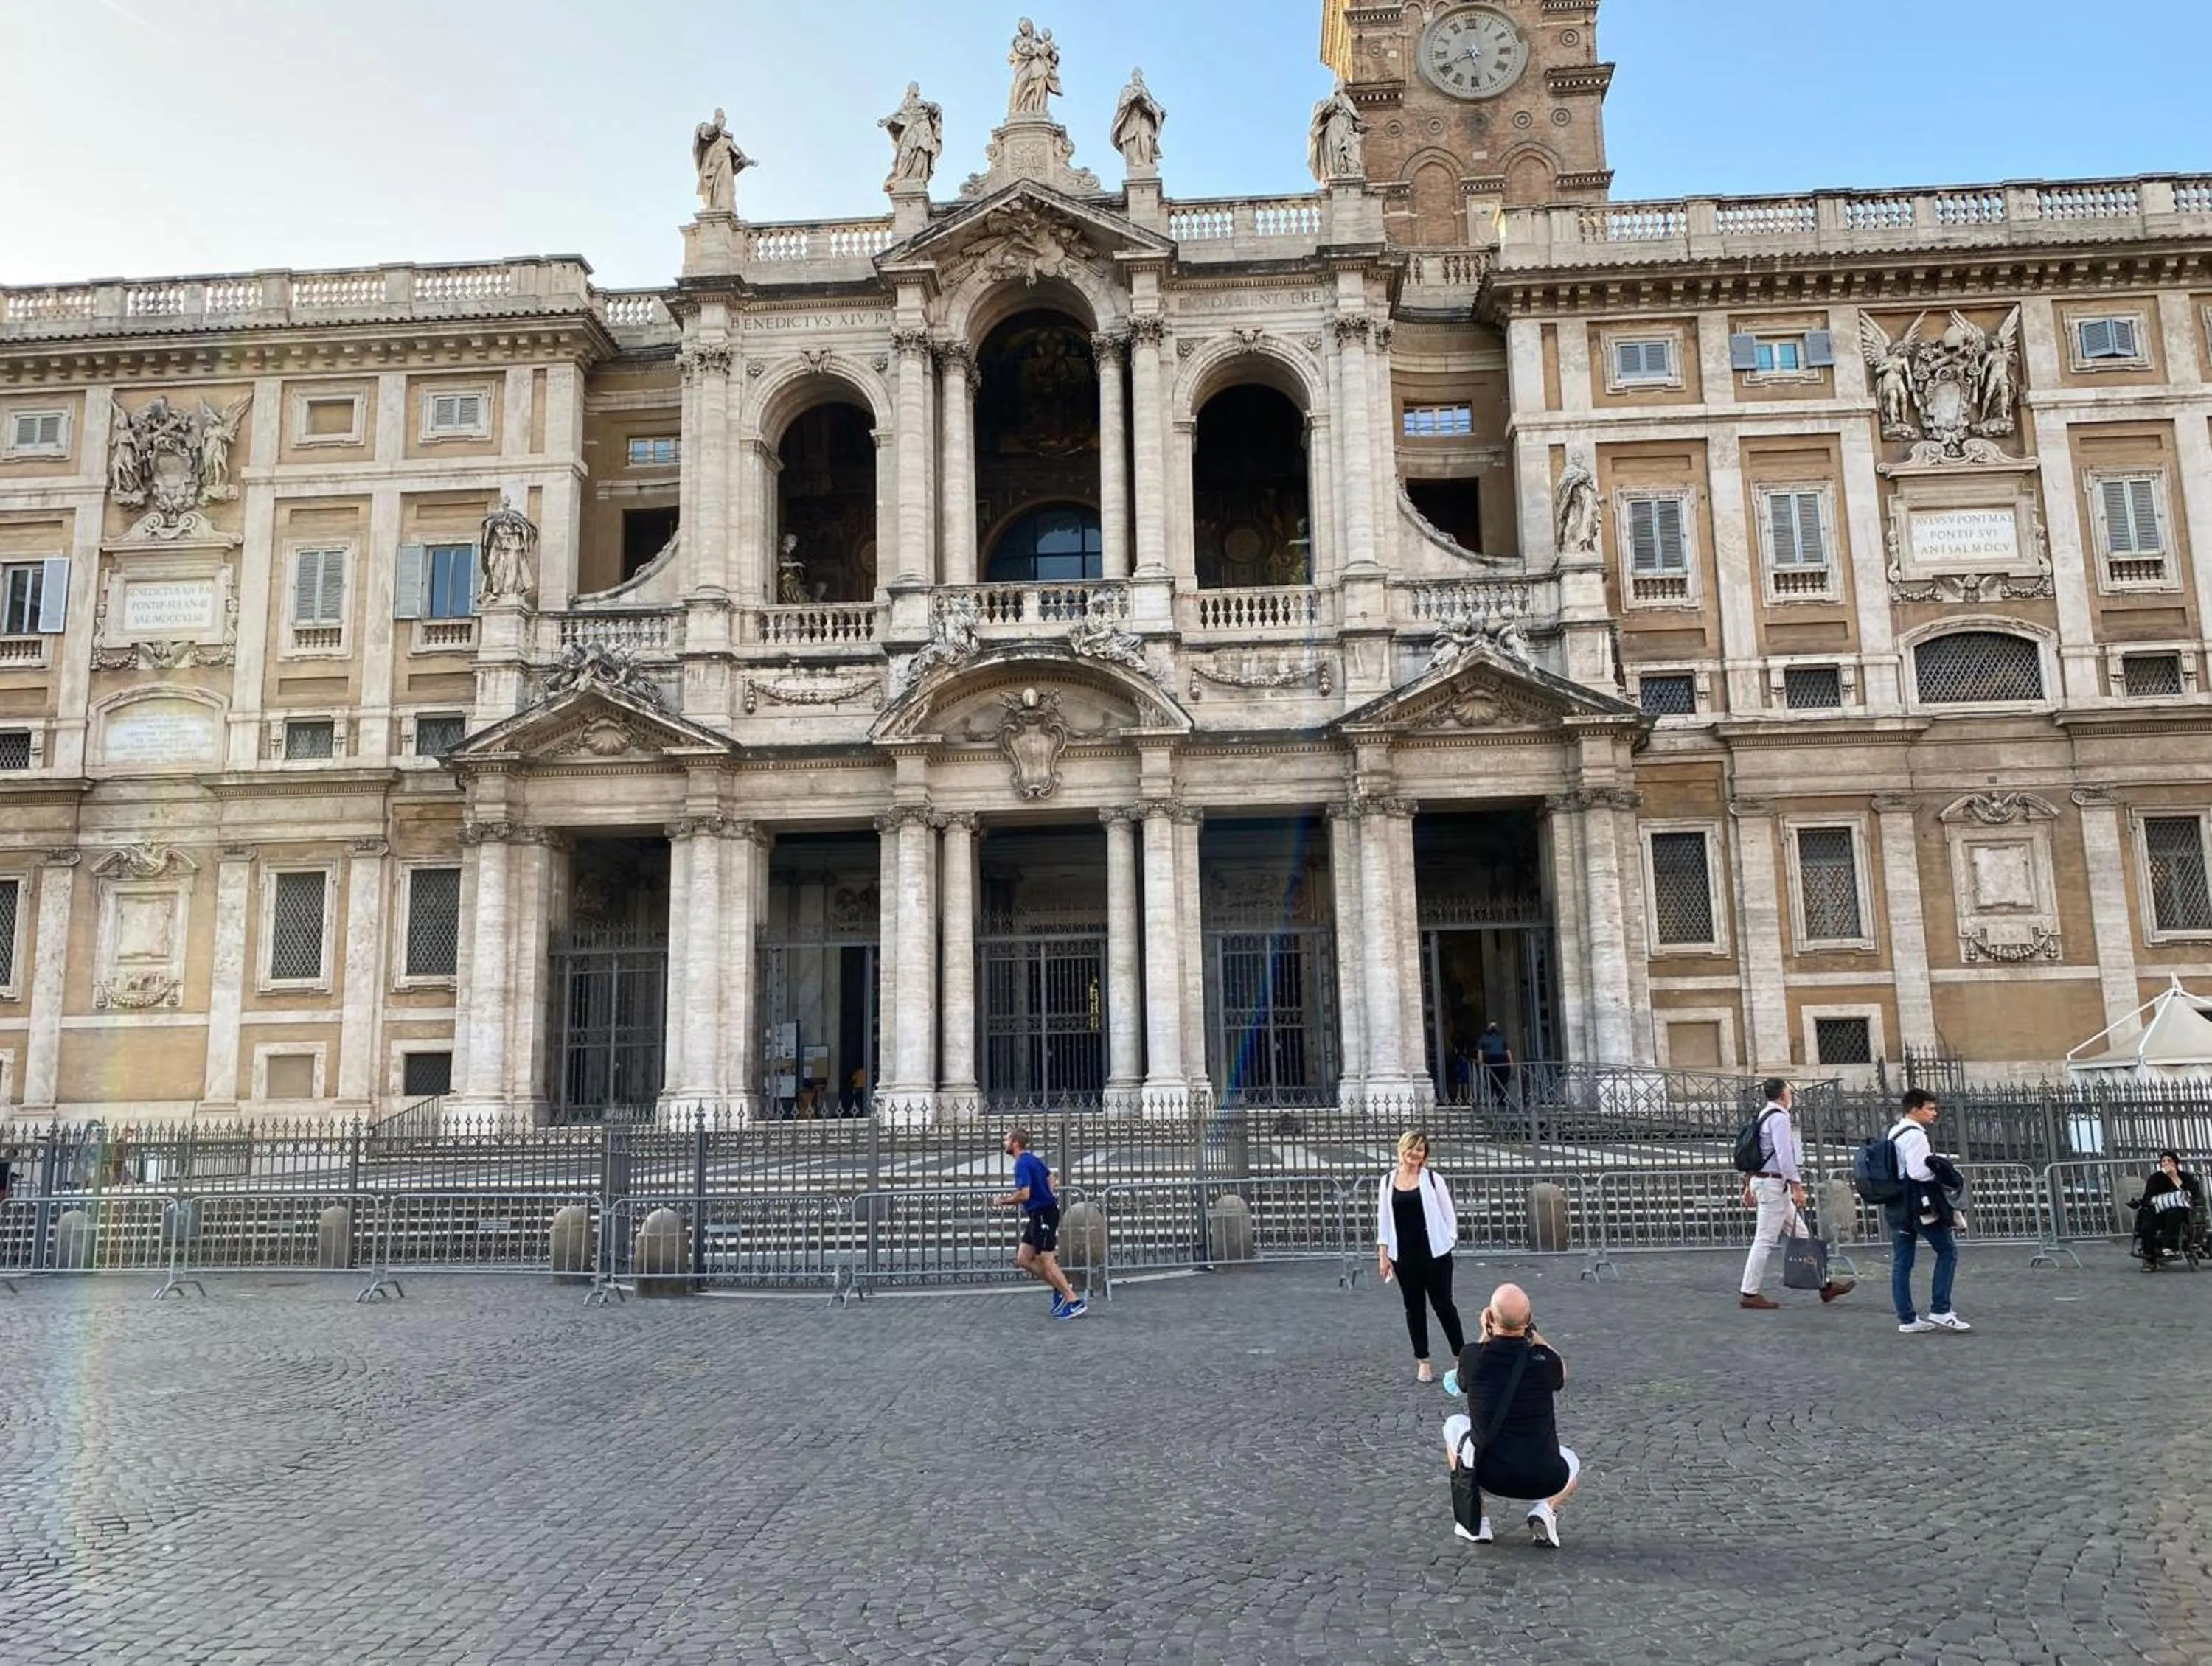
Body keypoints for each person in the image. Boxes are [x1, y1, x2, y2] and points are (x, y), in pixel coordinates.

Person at [1442, 1283, 1579, 1548]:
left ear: (1490, 1318)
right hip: (1545, 1477)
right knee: (1572, 1459)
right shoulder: (1544, 1361)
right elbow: (1561, 1370)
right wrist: (1534, 1334)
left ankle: (1476, 1521)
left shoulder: (1472, 1356)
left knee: (1454, 1425)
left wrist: (1485, 1333)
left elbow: (1457, 1381)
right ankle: (1545, 1509)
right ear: (1528, 1321)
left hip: (1488, 1475)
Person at [1736, 1078, 1854, 1309]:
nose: (1791, 1097)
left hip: (1765, 1182)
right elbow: (1785, 1156)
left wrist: (1748, 1184)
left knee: (1802, 1236)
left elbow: (1756, 1153)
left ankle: (1825, 1285)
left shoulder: (1762, 1116)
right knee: (1764, 1240)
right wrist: (1797, 1187)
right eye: (1789, 1093)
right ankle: (1749, 1293)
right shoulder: (1779, 1118)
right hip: (1774, 1186)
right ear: (1783, 1096)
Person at [1375, 1130, 1464, 1384]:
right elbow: (1383, 1220)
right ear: (1401, 1149)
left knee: (1444, 1306)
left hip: (1435, 1253)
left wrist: (1449, 1240)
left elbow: (1449, 1215)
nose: (1415, 1154)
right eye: (1412, 1148)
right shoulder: (1386, 1182)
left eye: (1421, 1150)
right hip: (1404, 1254)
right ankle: (1423, 1361)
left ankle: (1460, 1357)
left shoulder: (1433, 1179)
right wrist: (1384, 1254)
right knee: (1414, 1309)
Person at [1888, 1089, 1970, 1334]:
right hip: (1918, 1203)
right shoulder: (1915, 1135)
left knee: (1902, 1262)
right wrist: (1941, 1171)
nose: (1935, 1113)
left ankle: (1907, 1318)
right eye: (1930, 1108)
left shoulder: (1894, 1132)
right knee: (1947, 1250)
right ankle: (1941, 1309)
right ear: (1914, 1109)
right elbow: (1918, 1172)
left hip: (1897, 1203)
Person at [995, 1127, 1085, 1318]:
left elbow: (1024, 1193)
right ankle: (1059, 1287)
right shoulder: (1032, 1159)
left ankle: (1073, 1300)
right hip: (1039, 1213)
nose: (1004, 1143)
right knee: (1023, 1259)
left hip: (1044, 1213)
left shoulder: (1022, 1164)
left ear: (1015, 1144)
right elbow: (1050, 1175)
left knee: (1047, 1259)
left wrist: (1003, 1201)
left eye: (1006, 1140)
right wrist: (1049, 1192)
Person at [2135, 1151, 2202, 1271]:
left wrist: (2174, 1178)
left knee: (2175, 1213)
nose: (2166, 1163)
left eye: (2169, 1161)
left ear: (2176, 1163)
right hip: (2158, 1210)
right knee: (2147, 1222)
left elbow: (2193, 1194)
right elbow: (2148, 1196)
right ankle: (2149, 1257)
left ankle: (2170, 1247)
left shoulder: (2185, 1177)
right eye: (2163, 1161)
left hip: (2178, 1210)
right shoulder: (2156, 1178)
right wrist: (2152, 1202)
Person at [1475, 1022, 1514, 1105]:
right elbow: (1480, 1051)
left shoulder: (1500, 1038)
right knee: (1493, 1082)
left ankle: (1500, 1100)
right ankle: (1494, 1099)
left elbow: (1507, 1051)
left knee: (1500, 1082)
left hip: (1500, 1062)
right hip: (1492, 1062)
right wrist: (1481, 1063)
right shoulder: (1485, 1038)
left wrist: (1511, 1063)